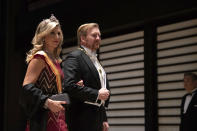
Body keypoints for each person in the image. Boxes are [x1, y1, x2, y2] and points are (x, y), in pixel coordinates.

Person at [19, 14, 68, 131]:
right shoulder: (40, 57)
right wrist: (46, 101)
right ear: (43, 36)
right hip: (43, 118)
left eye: (59, 33)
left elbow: (56, 90)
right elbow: (27, 86)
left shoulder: (56, 60)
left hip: (58, 115)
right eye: (52, 32)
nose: (57, 36)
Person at [62, 23, 110, 131]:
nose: (98, 38)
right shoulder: (75, 57)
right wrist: (96, 94)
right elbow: (69, 86)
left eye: (99, 35)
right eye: (94, 35)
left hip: (96, 117)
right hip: (80, 118)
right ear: (83, 39)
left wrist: (103, 118)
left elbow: (100, 89)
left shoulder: (95, 59)